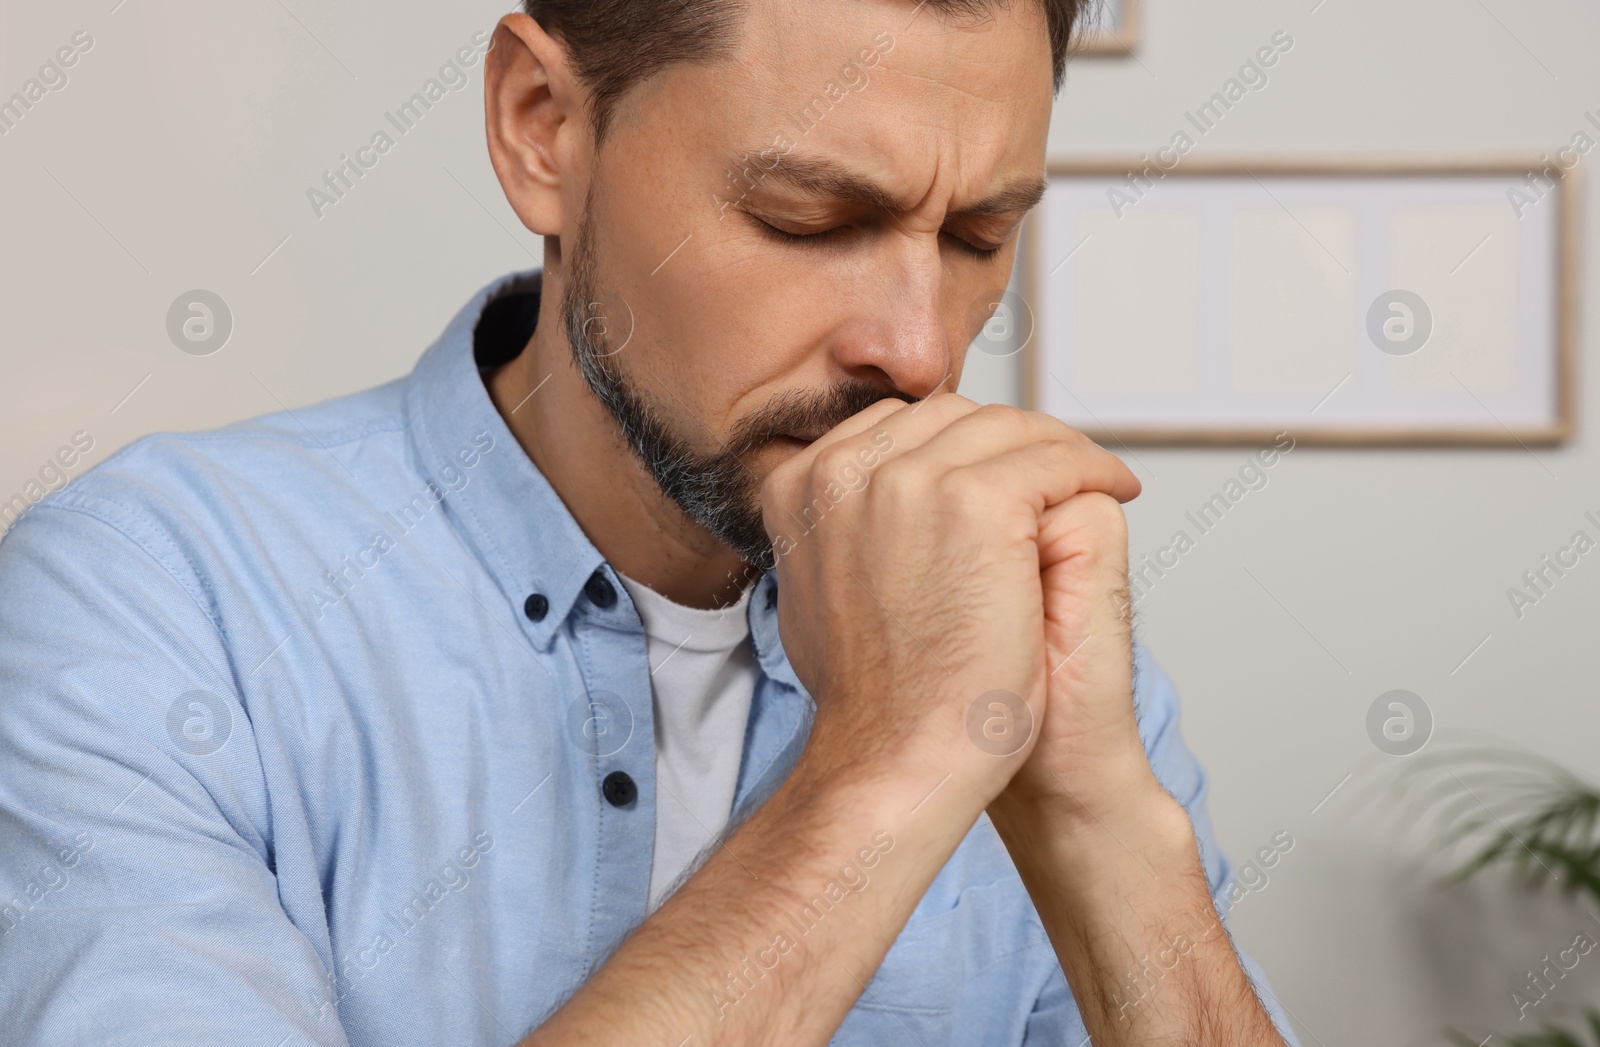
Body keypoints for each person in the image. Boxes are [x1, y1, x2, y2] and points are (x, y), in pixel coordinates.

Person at [0, 1, 1300, 1044]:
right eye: (812, 218)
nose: (916, 350)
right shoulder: (150, 600)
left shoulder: (1021, 627)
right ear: (542, 128)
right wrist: (889, 767)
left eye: (974, 236)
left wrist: (1098, 827)